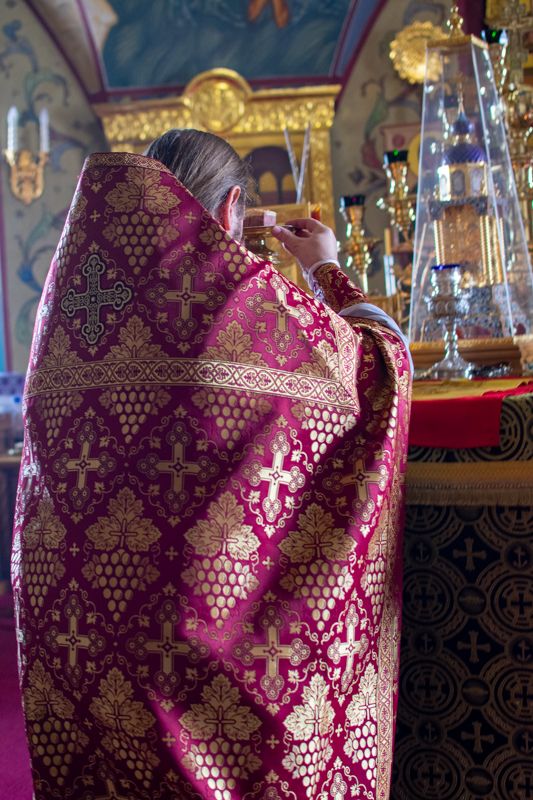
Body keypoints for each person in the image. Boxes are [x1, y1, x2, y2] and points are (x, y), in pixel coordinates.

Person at [12, 129, 411, 800]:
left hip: (88, 647)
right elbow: (382, 366)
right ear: (229, 210)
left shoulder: (73, 310)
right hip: (210, 654)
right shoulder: (252, 308)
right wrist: (326, 269)